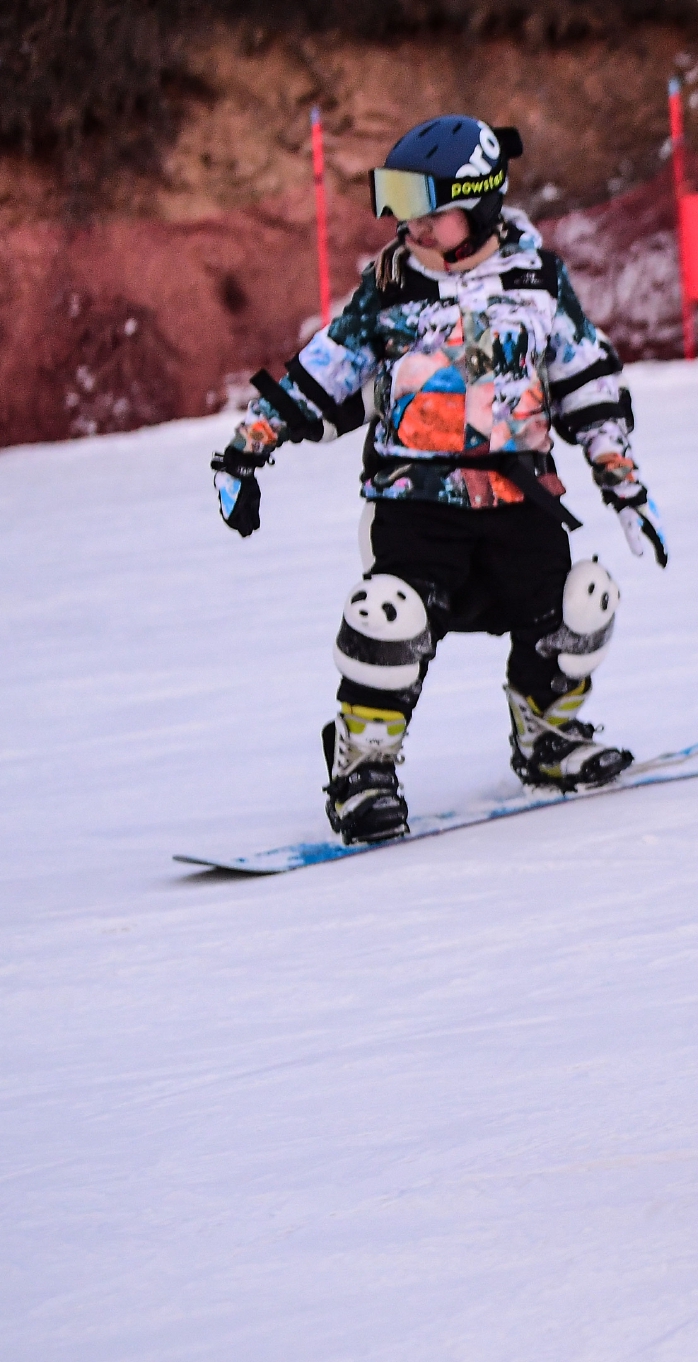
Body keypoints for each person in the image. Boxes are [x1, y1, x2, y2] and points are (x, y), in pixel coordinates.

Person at [208, 114, 668, 844]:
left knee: (582, 603)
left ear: (481, 203)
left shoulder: (536, 281)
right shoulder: (390, 287)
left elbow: (587, 382)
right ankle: (364, 771)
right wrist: (246, 448)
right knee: (389, 615)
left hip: (520, 499)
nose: (410, 223)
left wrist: (623, 483)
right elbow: (325, 371)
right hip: (416, 502)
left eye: (430, 208)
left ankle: (547, 736)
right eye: (398, 201)